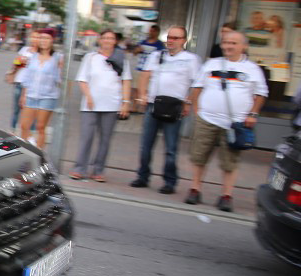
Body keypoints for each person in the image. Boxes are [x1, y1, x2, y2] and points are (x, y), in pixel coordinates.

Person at [184, 30, 268, 212]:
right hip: (207, 119)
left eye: (233, 43)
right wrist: (197, 112)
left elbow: (261, 94)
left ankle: (226, 196)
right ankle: (195, 189)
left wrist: (253, 114)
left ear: (243, 46)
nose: (228, 46)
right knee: (199, 157)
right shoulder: (211, 64)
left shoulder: (253, 69)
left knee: (230, 162)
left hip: (235, 124)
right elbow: (197, 87)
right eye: (225, 43)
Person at [131, 26, 202, 194]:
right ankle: (143, 176)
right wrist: (142, 94)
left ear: (184, 41)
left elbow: (197, 84)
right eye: (169, 37)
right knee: (146, 145)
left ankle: (169, 182)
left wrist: (188, 103)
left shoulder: (191, 59)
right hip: (153, 105)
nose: (171, 40)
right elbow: (144, 76)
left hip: (175, 107)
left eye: (176, 38)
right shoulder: (156, 56)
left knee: (171, 148)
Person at [71, 30, 132, 182]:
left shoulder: (122, 59)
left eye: (111, 38)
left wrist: (125, 102)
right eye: (104, 38)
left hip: (112, 104)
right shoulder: (91, 57)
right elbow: (82, 79)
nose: (107, 40)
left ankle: (98, 170)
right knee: (86, 137)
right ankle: (80, 169)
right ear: (100, 40)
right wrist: (88, 96)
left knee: (105, 139)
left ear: (115, 41)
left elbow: (126, 81)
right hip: (90, 105)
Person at [17, 29, 62, 150]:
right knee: (24, 126)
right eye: (41, 38)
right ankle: (27, 150)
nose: (43, 41)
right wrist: (23, 95)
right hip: (31, 95)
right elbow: (27, 77)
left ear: (52, 40)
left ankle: (38, 155)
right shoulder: (33, 56)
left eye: (46, 38)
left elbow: (61, 79)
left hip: (48, 96)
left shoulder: (57, 58)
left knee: (40, 127)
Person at [7, 30, 39, 129]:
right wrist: (19, 62)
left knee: (31, 110)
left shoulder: (41, 53)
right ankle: (12, 129)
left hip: (33, 85)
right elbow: (15, 63)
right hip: (20, 81)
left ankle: (31, 133)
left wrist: (29, 62)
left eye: (37, 37)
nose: (34, 39)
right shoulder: (24, 49)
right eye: (33, 37)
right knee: (16, 108)